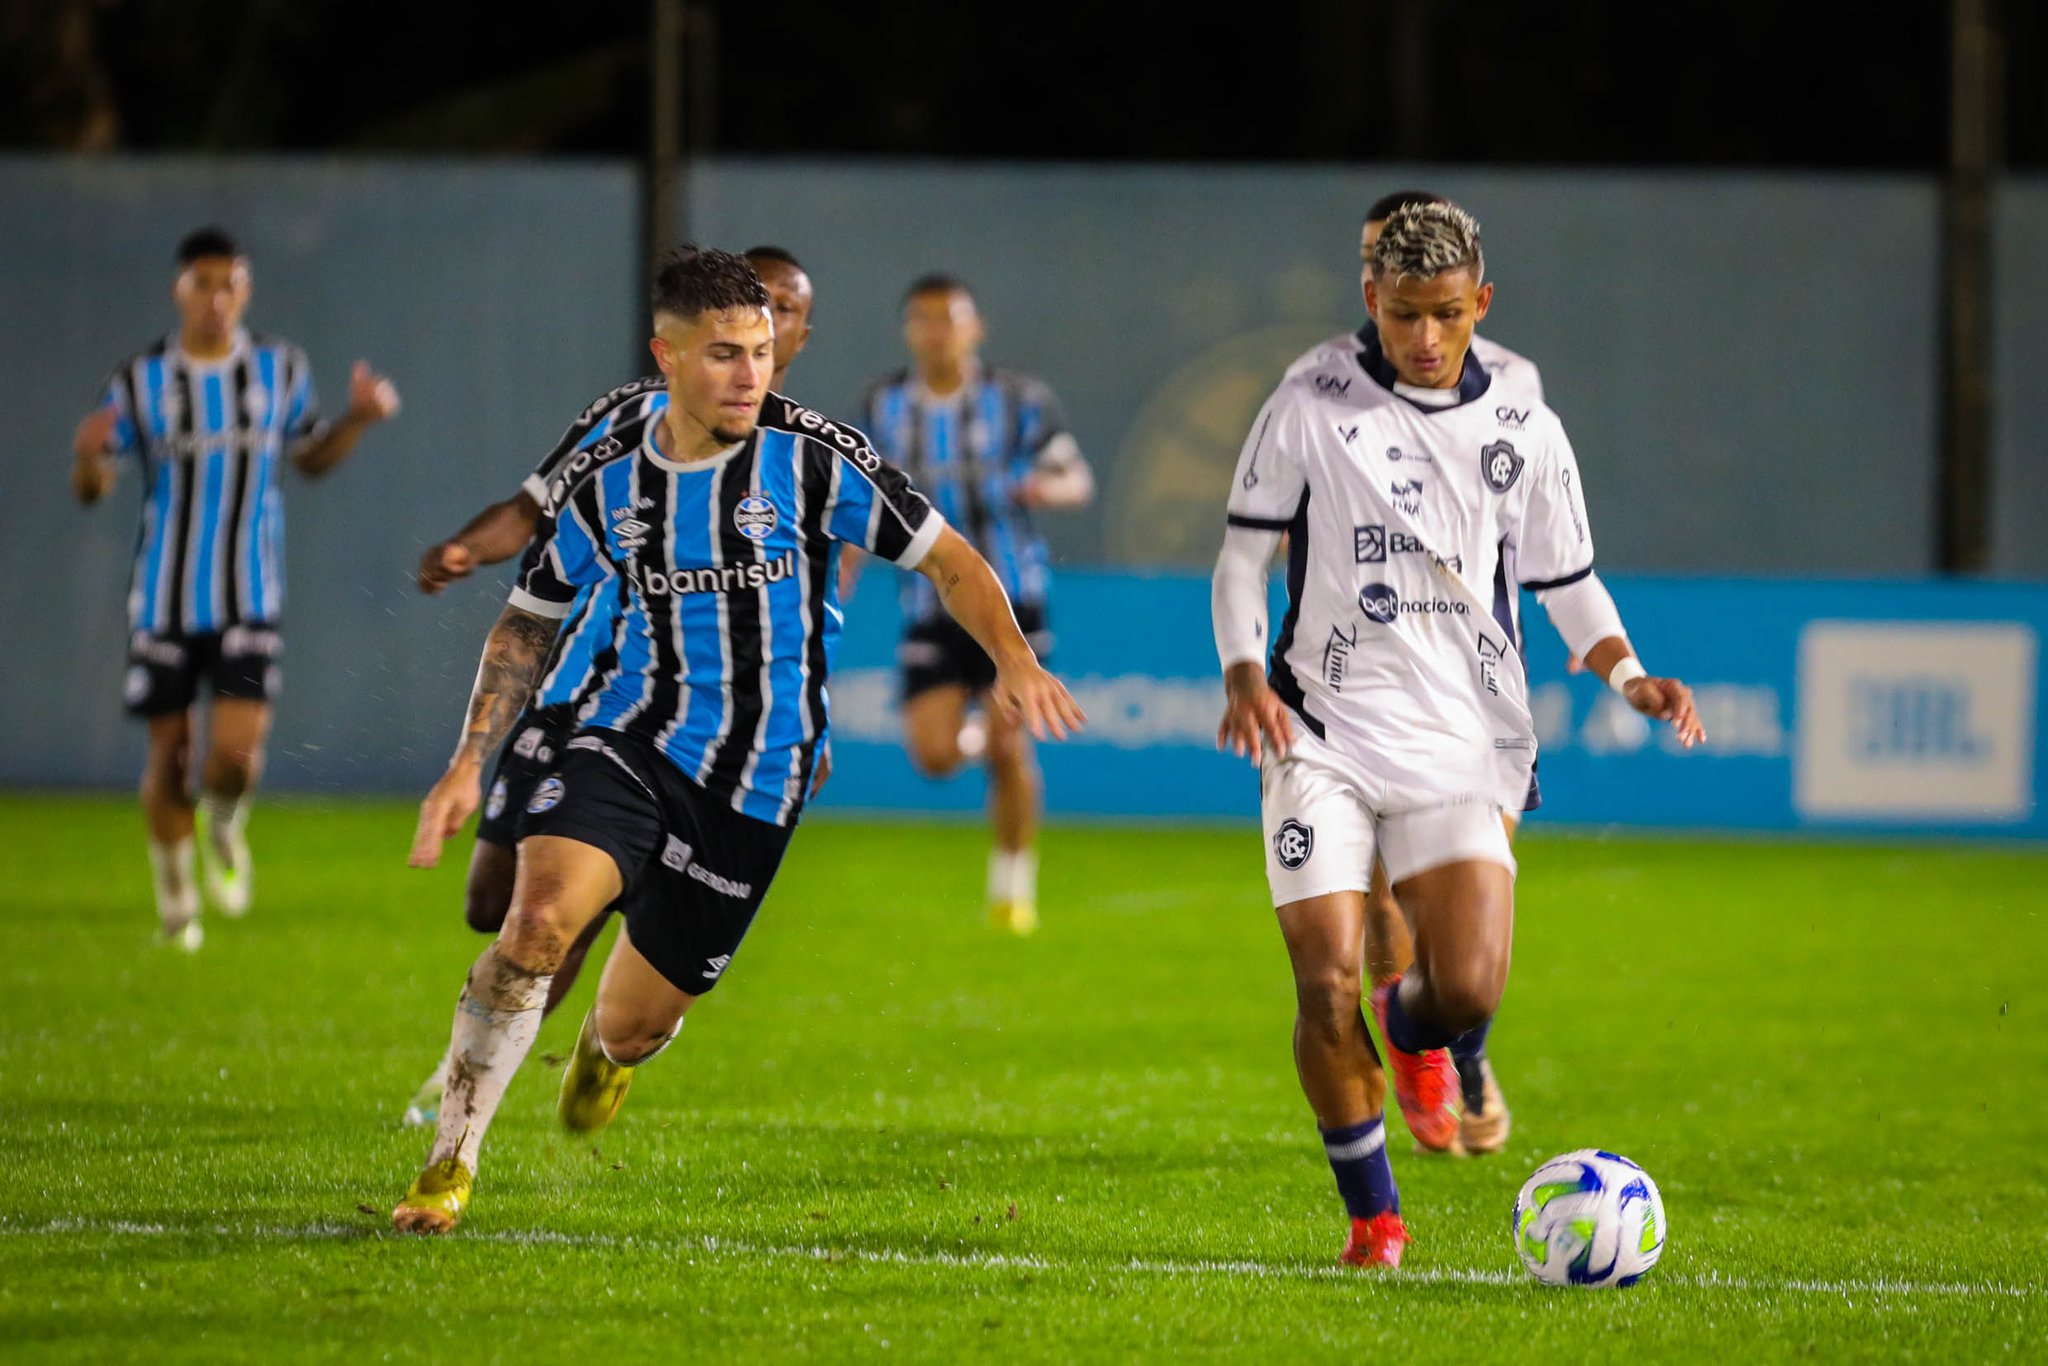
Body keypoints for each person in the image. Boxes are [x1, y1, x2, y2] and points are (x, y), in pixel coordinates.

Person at [392, 246, 1083, 1234]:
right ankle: (447, 1165)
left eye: (760, 350)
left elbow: (951, 559)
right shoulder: (609, 480)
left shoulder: (814, 458)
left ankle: (603, 1050)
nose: (750, 373)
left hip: (758, 779)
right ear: (664, 358)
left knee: (641, 1022)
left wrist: (1012, 660)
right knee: (537, 924)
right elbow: (526, 622)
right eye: (723, 353)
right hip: (625, 738)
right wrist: (469, 759)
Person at [1210, 201, 1701, 1268]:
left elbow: (1564, 582)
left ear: (1479, 303)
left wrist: (1627, 671)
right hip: (1319, 726)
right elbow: (1242, 556)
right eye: (1400, 317)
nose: (1423, 340)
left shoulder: (1524, 424)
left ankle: (1413, 1024)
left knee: (1466, 986)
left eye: (1443, 315)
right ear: (1368, 303)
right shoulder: (1309, 402)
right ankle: (1373, 1219)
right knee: (1321, 980)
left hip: (1462, 734)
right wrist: (1245, 670)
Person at [397, 246, 816, 1128]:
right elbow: (534, 505)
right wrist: (476, 548)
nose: (762, 331)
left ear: (795, 335)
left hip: (698, 738)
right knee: (490, 900)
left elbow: (820, 611)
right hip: (582, 692)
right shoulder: (626, 420)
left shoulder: (810, 457)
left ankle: (487, 1083)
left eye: (780, 316)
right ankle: (559, 1000)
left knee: (563, 910)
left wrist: (800, 725)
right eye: (750, 310)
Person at [1284, 191, 1545, 1156]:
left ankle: (1451, 1045)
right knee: (1387, 899)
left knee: (1470, 929)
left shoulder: (1509, 389)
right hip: (1363, 699)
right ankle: (1433, 1056)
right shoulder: (1331, 398)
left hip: (1479, 693)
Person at [69, 225, 399, 951]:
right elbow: (95, 484)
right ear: (179, 290)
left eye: (230, 283)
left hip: (251, 593)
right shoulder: (141, 380)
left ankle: (223, 823)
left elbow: (310, 458)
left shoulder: (279, 371)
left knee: (235, 757)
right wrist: (89, 459)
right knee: (171, 755)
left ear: (245, 289)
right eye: (203, 284)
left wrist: (358, 420)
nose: (217, 299)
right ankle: (176, 895)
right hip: (162, 597)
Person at [853, 275, 1093, 935]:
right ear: (909, 331)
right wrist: (837, 582)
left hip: (1014, 598)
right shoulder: (883, 405)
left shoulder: (1016, 401)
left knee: (1011, 743)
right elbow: (855, 503)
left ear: (974, 327)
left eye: (949, 319)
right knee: (933, 756)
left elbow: (1075, 478)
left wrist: (1038, 488)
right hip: (927, 603)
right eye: (924, 320)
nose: (937, 331)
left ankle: (1013, 887)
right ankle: (977, 735)